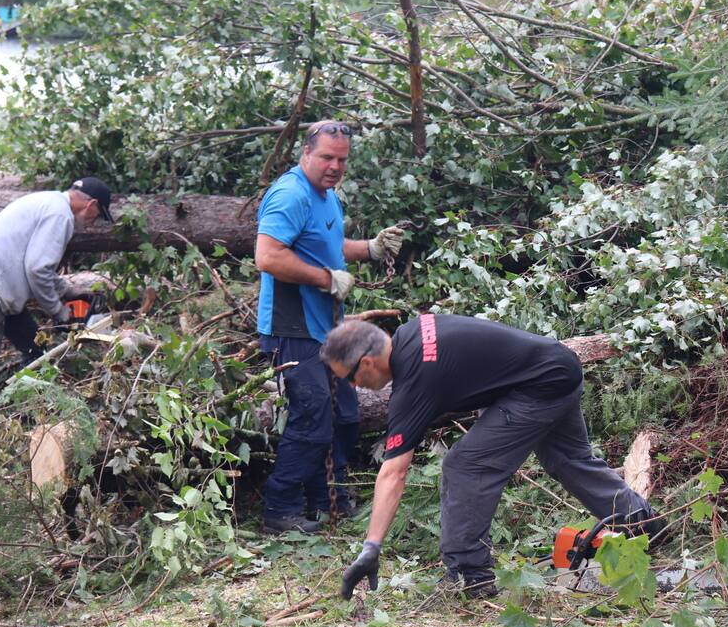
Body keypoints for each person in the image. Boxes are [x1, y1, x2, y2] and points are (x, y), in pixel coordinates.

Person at [324, 314, 664, 598]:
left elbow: (394, 473)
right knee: (568, 460)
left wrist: (371, 548)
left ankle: (468, 575)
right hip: (557, 365)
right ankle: (646, 524)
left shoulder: (415, 381)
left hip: (541, 384)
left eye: (350, 378)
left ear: (367, 362)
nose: (354, 387)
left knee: (465, 465)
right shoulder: (413, 330)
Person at [255, 120, 405, 534]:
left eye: (341, 159)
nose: (335, 166)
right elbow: (268, 257)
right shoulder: (290, 194)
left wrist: (370, 249)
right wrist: (327, 279)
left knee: (345, 415)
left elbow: (327, 245)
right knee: (313, 417)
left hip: (326, 327)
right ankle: (280, 510)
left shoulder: (325, 196)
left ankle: (330, 498)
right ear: (306, 153)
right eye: (326, 157)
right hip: (293, 327)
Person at [0, 177, 114, 438]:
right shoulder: (60, 215)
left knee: (35, 351)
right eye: (98, 215)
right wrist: (59, 312)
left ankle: (30, 414)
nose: (94, 221)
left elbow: (35, 264)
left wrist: (69, 291)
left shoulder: (48, 202)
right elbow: (37, 269)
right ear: (91, 204)